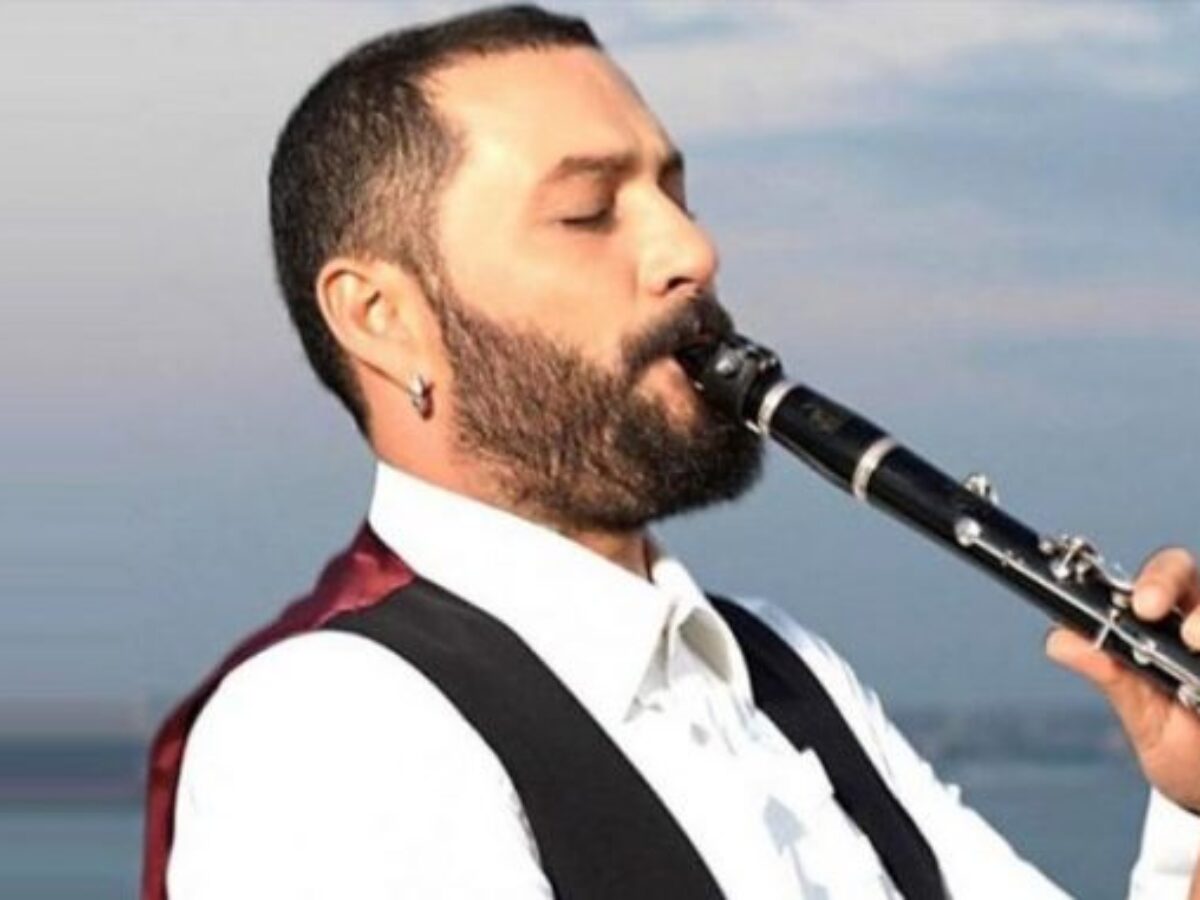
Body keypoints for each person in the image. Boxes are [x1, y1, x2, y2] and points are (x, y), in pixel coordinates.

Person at [142, 5, 1200, 898]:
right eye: (587, 212)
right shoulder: (327, 730)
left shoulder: (788, 668)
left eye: (675, 196)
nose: (691, 251)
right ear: (381, 317)